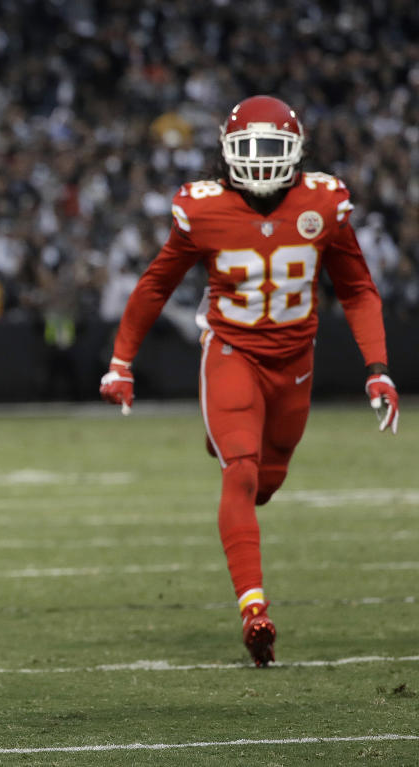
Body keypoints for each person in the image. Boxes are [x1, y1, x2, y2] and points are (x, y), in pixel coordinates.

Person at [99, 96, 399, 667]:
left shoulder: (324, 202)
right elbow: (155, 286)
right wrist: (121, 362)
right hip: (232, 351)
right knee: (239, 471)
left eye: (272, 149)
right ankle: (253, 611)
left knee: (266, 481)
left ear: (298, 152)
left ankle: (235, 447)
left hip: (295, 361)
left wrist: (378, 369)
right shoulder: (202, 208)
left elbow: (357, 289)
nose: (260, 163)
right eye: (249, 149)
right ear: (226, 152)